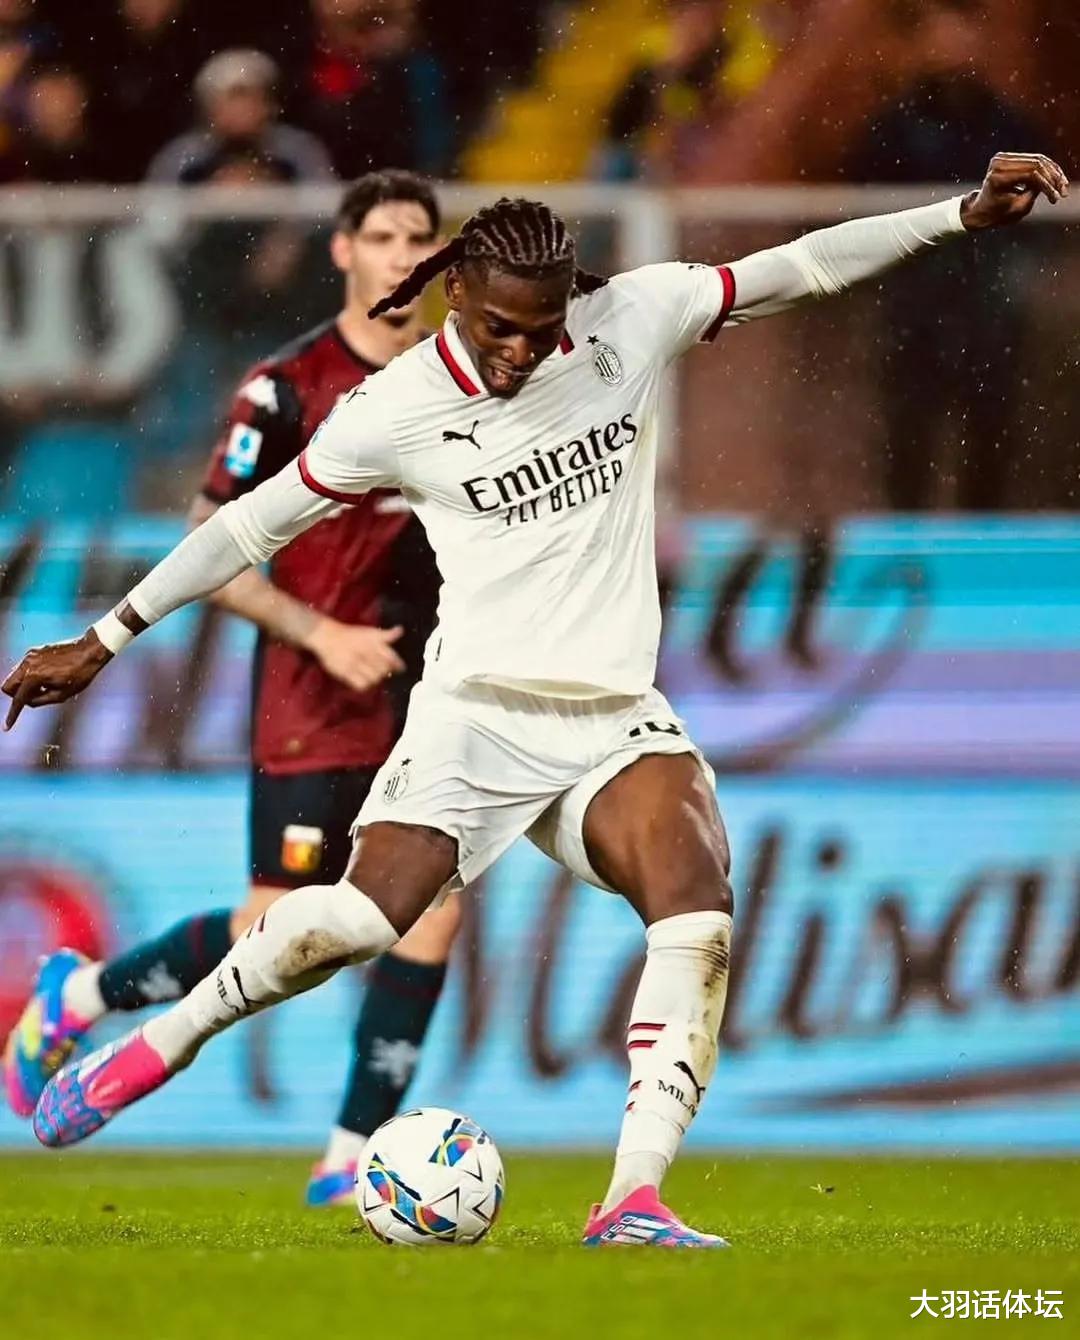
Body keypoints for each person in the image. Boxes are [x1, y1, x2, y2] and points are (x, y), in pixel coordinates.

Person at [2, 152, 1065, 1248]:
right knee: (359, 922)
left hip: (612, 716)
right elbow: (245, 526)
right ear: (457, 291)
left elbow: (801, 265)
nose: (521, 351)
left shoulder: (631, 319)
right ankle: (162, 1040)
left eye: (541, 328)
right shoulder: (393, 410)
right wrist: (106, 635)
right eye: (501, 329)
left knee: (697, 906)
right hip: (475, 716)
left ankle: (632, 1197)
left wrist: (958, 213)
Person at [2, 169, 457, 1209]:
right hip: (314, 695)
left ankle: (349, 1158)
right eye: (382, 237)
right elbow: (211, 543)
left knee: (431, 913)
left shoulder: (458, 377)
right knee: (281, 926)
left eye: (418, 239)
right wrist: (321, 632)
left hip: (430, 693)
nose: (401, 256)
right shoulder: (286, 388)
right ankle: (83, 992)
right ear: (343, 251)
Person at [848, 0, 1040, 509]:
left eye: (962, 34)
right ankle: (907, 531)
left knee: (989, 425)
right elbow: (863, 203)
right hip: (916, 302)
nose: (952, 47)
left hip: (987, 303)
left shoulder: (1005, 126)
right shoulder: (893, 129)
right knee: (910, 426)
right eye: (940, 35)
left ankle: (981, 530)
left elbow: (1038, 207)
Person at [147, 48, 334, 186]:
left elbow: (323, 213)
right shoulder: (180, 157)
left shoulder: (300, 152)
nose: (241, 111)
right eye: (232, 100)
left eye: (249, 99)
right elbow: (156, 217)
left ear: (269, 106)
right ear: (209, 109)